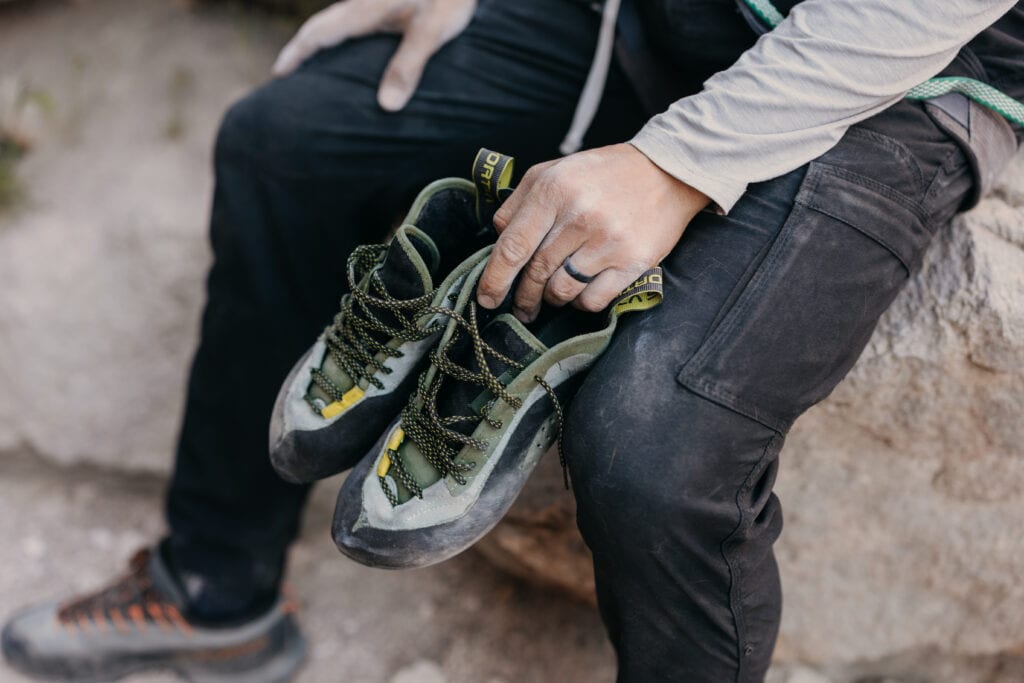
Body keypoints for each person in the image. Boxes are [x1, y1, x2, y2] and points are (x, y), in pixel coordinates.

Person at [3, 0, 1022, 681]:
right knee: (284, 145)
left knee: (649, 442)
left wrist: (681, 160)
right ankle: (215, 589)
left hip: (907, 70)